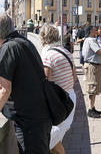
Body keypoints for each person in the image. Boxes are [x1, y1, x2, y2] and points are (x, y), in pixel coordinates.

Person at [0, 13, 52, 153]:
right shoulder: (24, 41)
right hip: (41, 117)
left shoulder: (7, 48)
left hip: (28, 123)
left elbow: (5, 90)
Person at [40, 24, 77, 154]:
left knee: (52, 142)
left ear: (42, 38)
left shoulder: (47, 56)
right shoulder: (66, 51)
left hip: (57, 105)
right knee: (56, 140)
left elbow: (46, 85)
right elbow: (74, 78)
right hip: (69, 99)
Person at [82, 26, 101, 118]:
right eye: (95, 29)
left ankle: (93, 107)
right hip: (93, 67)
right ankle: (90, 110)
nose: (97, 30)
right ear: (91, 31)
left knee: (94, 88)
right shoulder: (91, 40)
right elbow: (99, 51)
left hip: (95, 66)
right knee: (92, 87)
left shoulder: (91, 39)